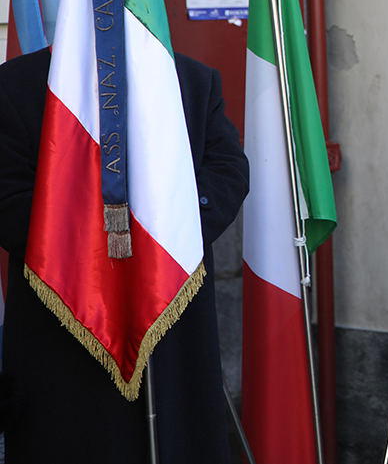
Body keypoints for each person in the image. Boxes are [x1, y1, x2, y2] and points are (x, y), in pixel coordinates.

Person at [0, 47, 249, 463]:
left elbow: (227, 171)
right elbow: (8, 197)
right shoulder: (17, 83)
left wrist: (163, 232)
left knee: (174, 438)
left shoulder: (193, 80)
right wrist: (104, 238)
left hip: (170, 325)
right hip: (64, 333)